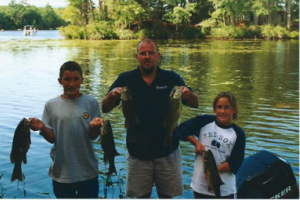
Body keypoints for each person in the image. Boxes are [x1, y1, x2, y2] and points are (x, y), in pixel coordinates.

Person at [101, 38, 199, 198]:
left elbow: (195, 103)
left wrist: (188, 93)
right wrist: (112, 94)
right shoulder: (126, 79)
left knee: (167, 197)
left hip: (168, 152)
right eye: (143, 53)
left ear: (158, 56)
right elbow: (105, 108)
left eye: (151, 53)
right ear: (137, 56)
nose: (147, 56)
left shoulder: (171, 78)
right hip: (137, 152)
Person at [29, 61, 104, 198]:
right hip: (61, 172)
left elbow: (94, 136)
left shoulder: (91, 102)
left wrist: (95, 126)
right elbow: (52, 139)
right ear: (60, 81)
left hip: (87, 170)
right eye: (67, 79)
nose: (72, 84)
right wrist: (42, 127)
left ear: (82, 80)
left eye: (76, 79)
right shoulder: (51, 105)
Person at [174, 92, 246, 199]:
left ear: (234, 109)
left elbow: (236, 161)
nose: (222, 111)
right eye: (219, 107)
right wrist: (196, 143)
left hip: (225, 190)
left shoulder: (238, 133)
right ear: (215, 109)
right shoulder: (205, 121)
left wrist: (214, 171)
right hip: (200, 186)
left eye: (227, 107)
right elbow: (181, 129)